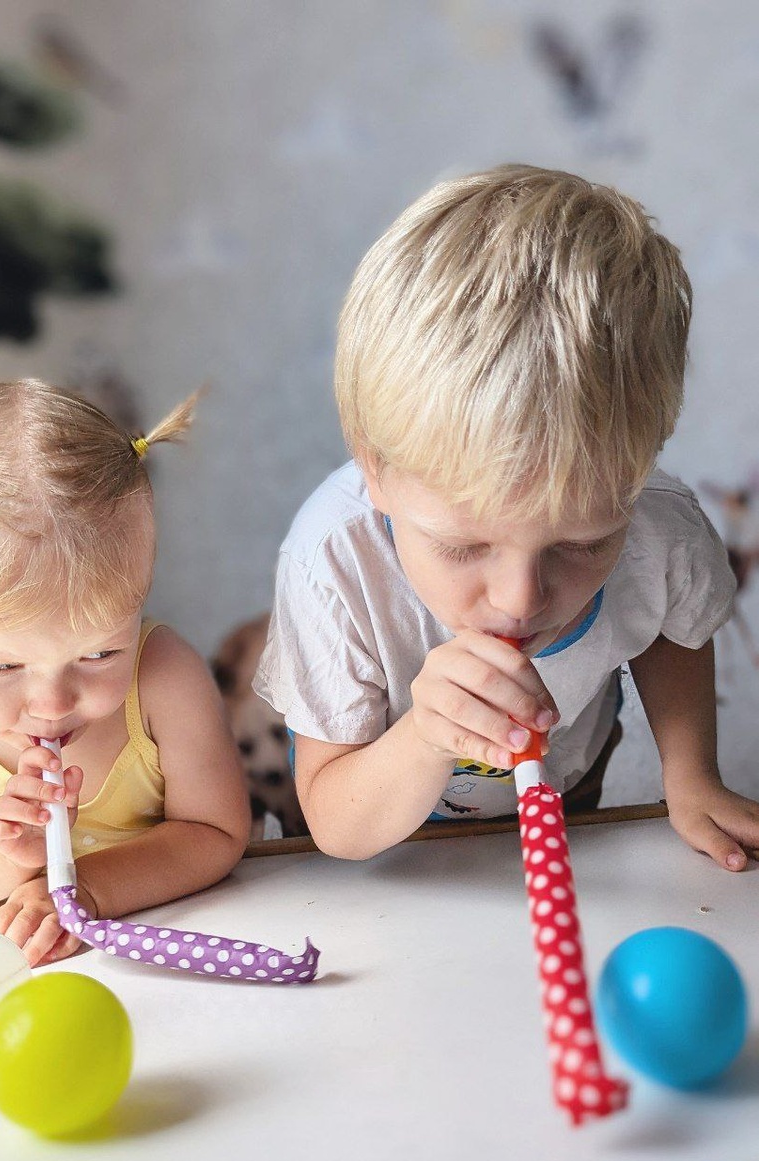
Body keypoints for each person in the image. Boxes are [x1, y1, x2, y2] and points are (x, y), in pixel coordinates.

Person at [255, 164, 759, 869]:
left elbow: (673, 626)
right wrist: (425, 738)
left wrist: (690, 775)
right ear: (376, 471)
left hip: (567, 785)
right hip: (380, 839)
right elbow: (338, 826)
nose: (521, 600)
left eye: (583, 544)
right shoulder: (333, 561)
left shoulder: (660, 528)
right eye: (463, 547)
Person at [0, 379, 250, 966]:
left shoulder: (166, 678)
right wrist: (10, 856)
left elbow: (215, 833)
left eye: (100, 654)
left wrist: (89, 888)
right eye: (1, 665)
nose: (52, 702)